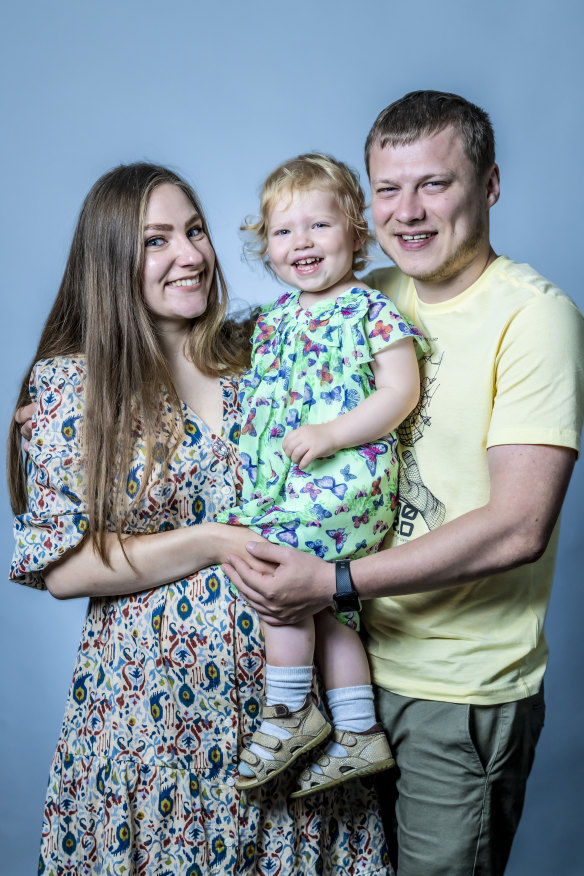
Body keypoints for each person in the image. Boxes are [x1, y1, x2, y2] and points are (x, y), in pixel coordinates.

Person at [222, 91, 584, 875]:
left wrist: (331, 579)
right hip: (350, 671)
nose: (408, 212)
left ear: (488, 185)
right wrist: (73, 382)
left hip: (458, 690)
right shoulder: (365, 292)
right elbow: (225, 354)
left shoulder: (535, 318)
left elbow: (520, 526)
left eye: (435, 184)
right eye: (388, 188)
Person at [8, 162, 393, 875]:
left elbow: (363, 317)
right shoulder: (71, 383)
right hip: (152, 728)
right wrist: (214, 540)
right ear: (111, 260)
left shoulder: (262, 348)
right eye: (156, 241)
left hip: (295, 730)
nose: (189, 254)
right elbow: (65, 571)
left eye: (194, 231)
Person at [217, 153, 426, 796]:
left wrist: (334, 433)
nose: (301, 243)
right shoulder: (272, 319)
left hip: (349, 477)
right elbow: (201, 362)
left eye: (319, 227)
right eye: (284, 232)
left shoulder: (368, 309)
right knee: (326, 606)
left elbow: (401, 392)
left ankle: (289, 710)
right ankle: (359, 731)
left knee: (274, 569)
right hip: (296, 481)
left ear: (356, 235)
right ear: (266, 246)